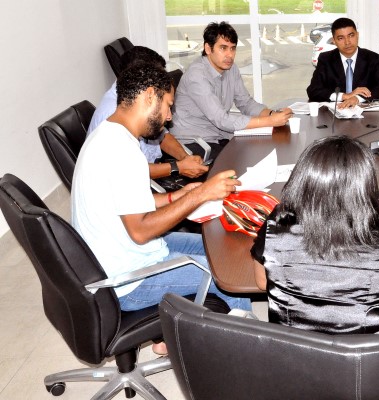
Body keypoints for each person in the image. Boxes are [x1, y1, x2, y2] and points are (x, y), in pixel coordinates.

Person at [72, 62, 252, 352]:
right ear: (149, 97)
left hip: (120, 250)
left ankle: (176, 333)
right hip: (127, 279)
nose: (169, 118)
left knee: (218, 245)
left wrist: (181, 195)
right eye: (168, 106)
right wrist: (201, 193)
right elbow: (141, 231)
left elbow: (134, 204)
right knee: (225, 273)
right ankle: (245, 349)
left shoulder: (110, 136)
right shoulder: (120, 151)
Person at [251, 136, 379, 399]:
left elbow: (263, 284)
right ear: (365, 187)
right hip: (368, 384)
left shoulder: (275, 228)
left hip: (292, 378)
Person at [170, 22, 292, 160]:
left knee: (261, 150)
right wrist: (270, 121)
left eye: (233, 48)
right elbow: (222, 120)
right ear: (208, 49)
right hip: (194, 141)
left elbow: (245, 103)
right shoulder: (196, 76)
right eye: (223, 48)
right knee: (243, 162)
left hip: (218, 135)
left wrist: (272, 114)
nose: (230, 55)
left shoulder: (231, 69)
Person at [89, 46, 208, 181]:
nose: (169, 117)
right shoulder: (114, 115)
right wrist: (178, 167)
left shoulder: (137, 104)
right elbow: (134, 172)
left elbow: (161, 136)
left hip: (157, 166)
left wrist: (184, 157)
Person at [306, 17, 379, 109]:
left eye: (351, 35)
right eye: (341, 38)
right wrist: (344, 96)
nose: (347, 42)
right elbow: (313, 90)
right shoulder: (326, 59)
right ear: (334, 41)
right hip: (335, 113)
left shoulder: (373, 58)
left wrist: (356, 98)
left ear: (357, 35)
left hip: (365, 115)